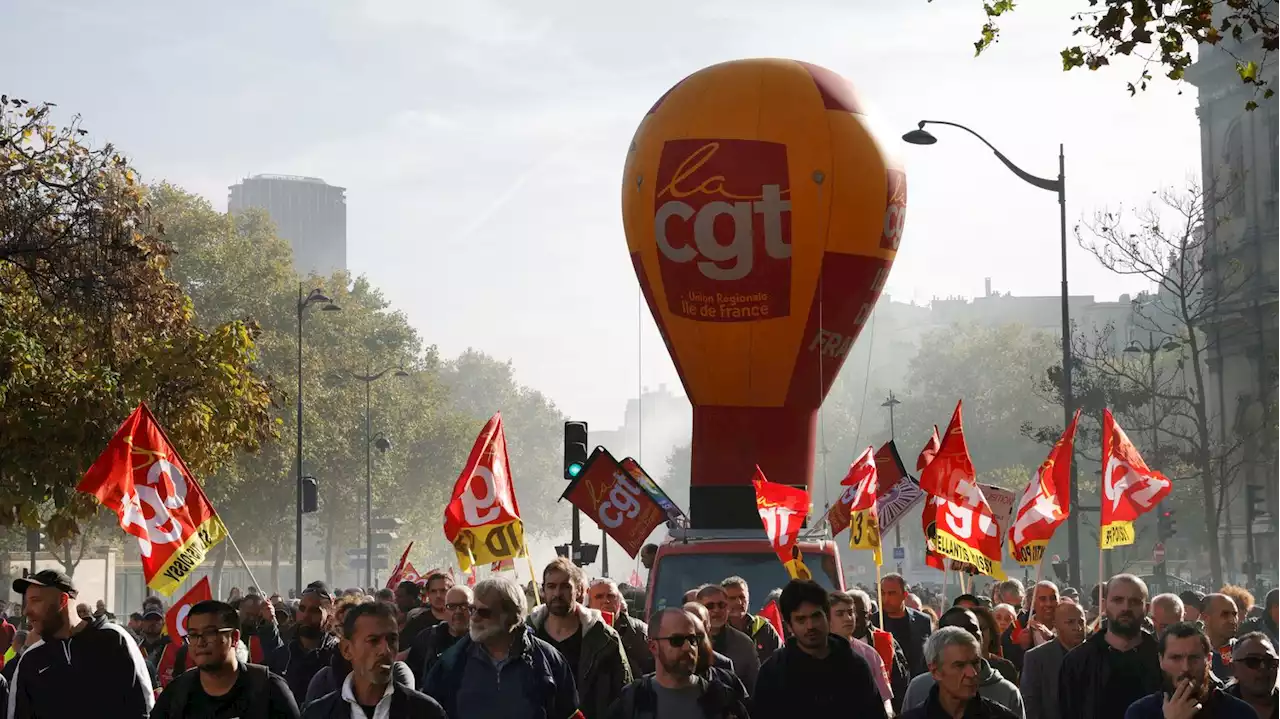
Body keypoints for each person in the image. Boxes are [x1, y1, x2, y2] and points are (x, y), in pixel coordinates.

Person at [423, 576, 579, 718]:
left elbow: (570, 714)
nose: (474, 618)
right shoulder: (451, 662)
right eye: (472, 609)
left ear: (512, 616)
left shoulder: (548, 660)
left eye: (484, 612)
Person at [7, 570, 154, 717]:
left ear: (63, 600)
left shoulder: (115, 640)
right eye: (27, 602)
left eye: (35, 600)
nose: (26, 611)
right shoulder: (30, 660)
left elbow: (143, 708)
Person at [753, 579, 887, 718]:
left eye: (816, 616)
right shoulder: (773, 673)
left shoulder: (854, 666)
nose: (810, 626)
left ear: (827, 617)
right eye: (801, 619)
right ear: (789, 625)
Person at [151, 599, 299, 718]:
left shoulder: (269, 689)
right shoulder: (177, 693)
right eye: (194, 635)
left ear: (234, 638)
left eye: (210, 633)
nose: (200, 643)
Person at [302, 601, 445, 718]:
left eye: (392, 639)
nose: (385, 650)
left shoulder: (426, 712)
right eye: (373, 641)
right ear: (347, 649)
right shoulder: (318, 714)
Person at [528, 558, 632, 718]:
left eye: (565, 586)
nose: (557, 593)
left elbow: (624, 693)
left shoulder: (604, 638)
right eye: (551, 586)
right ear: (543, 590)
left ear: (578, 590)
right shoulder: (527, 635)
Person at [603, 608, 749, 719]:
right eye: (677, 641)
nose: (688, 647)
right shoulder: (632, 700)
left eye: (692, 640)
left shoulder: (722, 701)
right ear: (653, 647)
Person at [1059, 574, 1161, 719]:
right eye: (1118, 600)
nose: (1126, 607)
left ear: (1147, 608)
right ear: (1104, 604)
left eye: (1134, 601)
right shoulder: (1078, 661)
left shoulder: (1163, 659)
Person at [901, 606, 1024, 716]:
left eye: (975, 663)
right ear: (935, 671)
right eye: (959, 665)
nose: (972, 673)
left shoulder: (1004, 715)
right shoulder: (917, 691)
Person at [1123, 621, 1255, 719]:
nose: (1185, 667)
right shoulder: (1140, 713)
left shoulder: (1239, 713)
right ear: (1161, 660)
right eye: (1176, 658)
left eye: (1194, 658)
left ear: (1208, 660)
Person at [266, 582, 339, 704]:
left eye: (314, 610)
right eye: (302, 609)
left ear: (329, 616)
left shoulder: (337, 657)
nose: (306, 615)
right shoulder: (281, 657)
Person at [828, 591, 893, 714]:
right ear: (827, 618)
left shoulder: (870, 654)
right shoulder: (814, 653)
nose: (848, 618)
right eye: (840, 614)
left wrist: (888, 714)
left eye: (850, 612)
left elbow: (884, 698)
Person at [1019, 601, 1085, 719]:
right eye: (1070, 622)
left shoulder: (1097, 655)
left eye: (1081, 622)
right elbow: (1031, 706)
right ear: (1056, 625)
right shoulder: (1036, 658)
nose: (1078, 628)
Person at [694, 584, 758, 693]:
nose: (717, 610)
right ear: (699, 609)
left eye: (721, 605)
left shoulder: (744, 644)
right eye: (710, 606)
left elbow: (754, 685)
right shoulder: (688, 642)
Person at [406, 585, 472, 687]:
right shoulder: (427, 638)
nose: (458, 611)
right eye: (452, 607)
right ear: (444, 611)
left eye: (464, 606)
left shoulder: (484, 642)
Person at [871, 573, 932, 677]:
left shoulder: (922, 621)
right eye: (882, 593)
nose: (886, 599)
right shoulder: (873, 621)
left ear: (904, 595)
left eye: (892, 593)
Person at [590, 579, 653, 676]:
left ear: (619, 602)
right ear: (589, 603)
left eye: (611, 596)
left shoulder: (640, 632)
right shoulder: (582, 630)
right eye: (599, 597)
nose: (606, 601)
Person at [720, 576, 783, 666]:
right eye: (732, 598)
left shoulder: (764, 628)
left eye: (742, 597)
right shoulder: (716, 630)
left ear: (748, 598)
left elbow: (781, 659)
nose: (739, 602)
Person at [1003, 581, 1058, 673]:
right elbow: (1009, 665)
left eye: (1053, 598)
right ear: (1033, 601)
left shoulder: (1069, 623)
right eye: (1043, 599)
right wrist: (1021, 647)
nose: (1048, 604)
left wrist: (1052, 638)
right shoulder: (1017, 627)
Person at [1225, 631, 1278, 718]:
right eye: (1253, 661)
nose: (1263, 667)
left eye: (1270, 662)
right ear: (1233, 668)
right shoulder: (1216, 708)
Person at [401, 573, 453, 649]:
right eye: (433, 591)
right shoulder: (417, 623)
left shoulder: (459, 620)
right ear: (428, 593)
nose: (438, 595)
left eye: (443, 590)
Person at [1202, 592, 1241, 680]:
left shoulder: (1243, 651)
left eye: (1235, 614)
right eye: (1225, 614)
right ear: (1205, 617)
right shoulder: (1192, 651)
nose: (1233, 621)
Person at [239, 592, 284, 664]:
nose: (251, 618)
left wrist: (270, 623)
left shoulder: (265, 632)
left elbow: (276, 651)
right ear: (240, 607)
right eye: (248, 614)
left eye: (255, 615)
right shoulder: (230, 627)